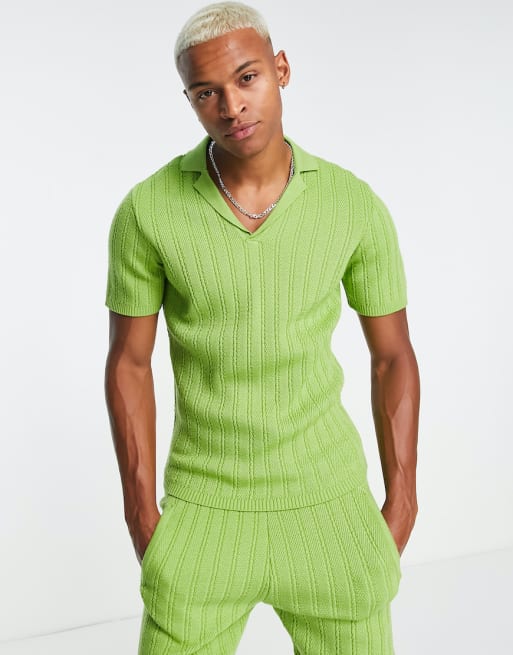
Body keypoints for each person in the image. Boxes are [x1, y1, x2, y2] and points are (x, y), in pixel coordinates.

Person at [104, 2, 420, 653]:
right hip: (203, 512)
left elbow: (392, 356)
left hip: (331, 507)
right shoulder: (147, 210)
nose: (231, 106)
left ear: (280, 69)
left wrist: (402, 504)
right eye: (205, 92)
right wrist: (142, 516)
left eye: (246, 78)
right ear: (190, 101)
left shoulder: (352, 203)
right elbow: (129, 363)